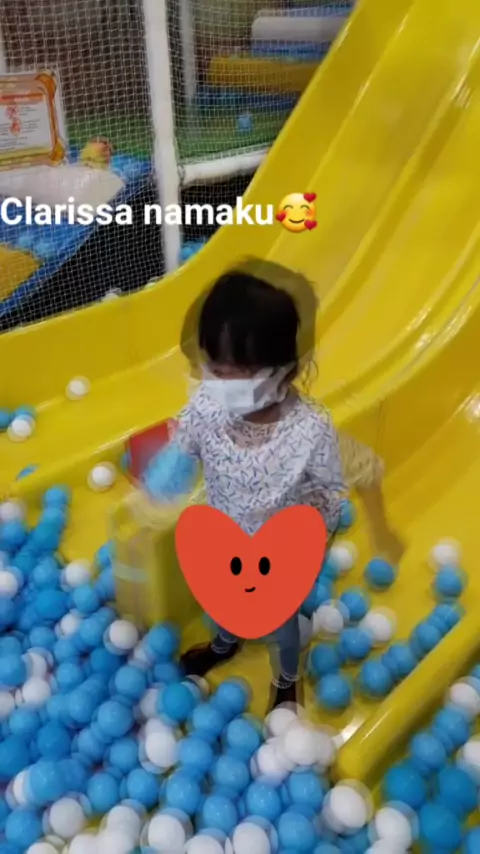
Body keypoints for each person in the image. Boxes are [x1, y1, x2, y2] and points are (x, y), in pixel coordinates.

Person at [147, 262, 402, 709]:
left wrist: (330, 539)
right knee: (224, 600)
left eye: (235, 371)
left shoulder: (309, 430)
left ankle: (287, 676)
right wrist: (169, 468)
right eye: (212, 366)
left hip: (277, 554)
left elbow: (344, 482)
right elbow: (184, 444)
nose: (218, 382)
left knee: (283, 622)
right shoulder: (207, 405)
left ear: (282, 371)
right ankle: (225, 643)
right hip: (226, 536)